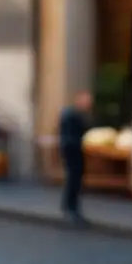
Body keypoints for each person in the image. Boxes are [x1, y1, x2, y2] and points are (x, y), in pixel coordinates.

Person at [58, 91, 92, 226]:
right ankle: (72, 208)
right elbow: (81, 131)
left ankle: (68, 206)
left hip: (70, 148)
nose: (89, 104)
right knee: (74, 179)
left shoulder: (69, 113)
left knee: (73, 178)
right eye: (87, 101)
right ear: (79, 101)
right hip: (73, 149)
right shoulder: (74, 114)